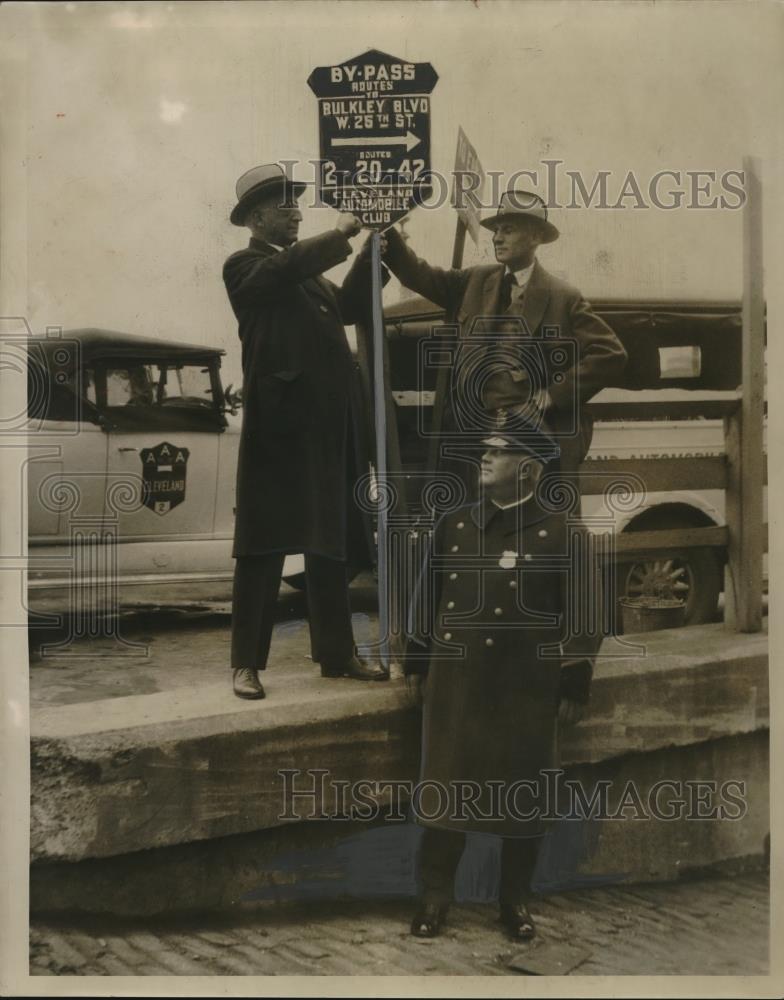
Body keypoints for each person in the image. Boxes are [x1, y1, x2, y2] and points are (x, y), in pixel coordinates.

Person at [404, 422, 605, 940]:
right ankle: (433, 898)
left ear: (530, 469)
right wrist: (419, 663)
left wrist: (572, 680)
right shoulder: (455, 524)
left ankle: (514, 902)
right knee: (446, 795)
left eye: (500, 451)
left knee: (524, 797)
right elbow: (427, 597)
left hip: (524, 689)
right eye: (486, 449)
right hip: (457, 685)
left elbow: (586, 614)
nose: (485, 457)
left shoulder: (564, 532)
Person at [223, 162, 386, 699]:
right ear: (256, 217)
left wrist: (373, 249)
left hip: (322, 431)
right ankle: (245, 664)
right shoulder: (244, 266)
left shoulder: (309, 274)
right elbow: (282, 271)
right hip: (278, 431)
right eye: (284, 203)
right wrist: (340, 232)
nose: (295, 210)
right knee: (261, 549)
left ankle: (337, 656)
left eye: (297, 201)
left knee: (329, 546)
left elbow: (350, 306)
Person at [383, 190, 627, 499]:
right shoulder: (474, 280)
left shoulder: (563, 296)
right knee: (468, 530)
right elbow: (419, 274)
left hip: (526, 446)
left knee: (524, 528)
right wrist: (384, 228)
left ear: (535, 236)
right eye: (496, 230)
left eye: (508, 229)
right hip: (469, 438)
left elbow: (611, 354)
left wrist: (553, 394)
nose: (497, 238)